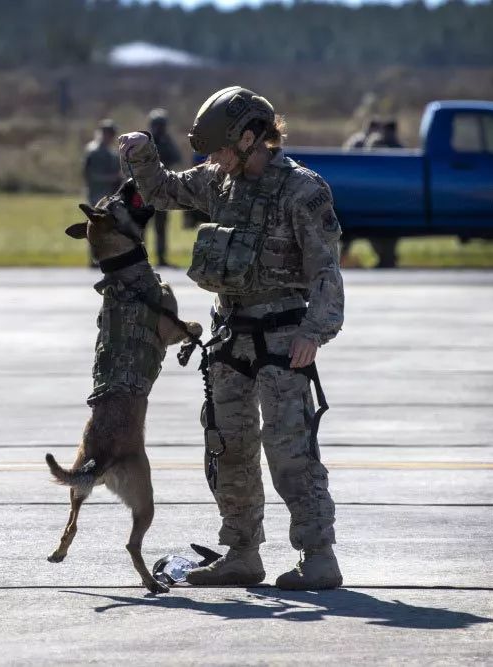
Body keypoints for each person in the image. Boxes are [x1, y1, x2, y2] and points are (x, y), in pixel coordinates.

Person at [119, 86, 345, 590]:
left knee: (290, 448)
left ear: (251, 137)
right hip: (229, 338)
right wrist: (141, 152)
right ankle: (242, 552)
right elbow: (163, 191)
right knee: (228, 448)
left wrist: (315, 331)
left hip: (284, 337)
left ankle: (318, 556)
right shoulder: (219, 181)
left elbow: (327, 271)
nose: (214, 159)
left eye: (220, 148)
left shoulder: (303, 191)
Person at [83, 119, 123, 267]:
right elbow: (89, 175)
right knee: (94, 227)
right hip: (96, 193)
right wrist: (109, 178)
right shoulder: (93, 151)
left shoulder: (112, 153)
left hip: (109, 196)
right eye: (109, 134)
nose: (111, 137)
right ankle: (94, 259)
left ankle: (106, 257)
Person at [147, 108, 183, 266]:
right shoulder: (146, 141)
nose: (160, 128)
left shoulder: (166, 141)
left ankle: (161, 258)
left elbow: (177, 157)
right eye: (158, 125)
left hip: (162, 190)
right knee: (142, 226)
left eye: (162, 125)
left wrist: (166, 141)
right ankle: (142, 259)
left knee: (161, 227)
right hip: (146, 190)